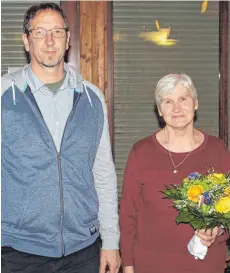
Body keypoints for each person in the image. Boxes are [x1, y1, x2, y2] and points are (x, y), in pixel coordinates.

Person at [1, 3, 120, 273]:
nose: (50, 40)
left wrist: (111, 241)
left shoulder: (92, 98)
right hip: (18, 252)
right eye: (40, 32)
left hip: (83, 251)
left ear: (68, 39)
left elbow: (102, 174)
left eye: (57, 31)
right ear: (26, 40)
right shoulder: (5, 95)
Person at [119, 73, 230, 273]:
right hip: (151, 265)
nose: (177, 108)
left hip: (205, 266)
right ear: (160, 110)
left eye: (183, 99)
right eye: (168, 101)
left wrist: (219, 230)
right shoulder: (141, 152)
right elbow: (128, 215)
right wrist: (128, 265)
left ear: (195, 103)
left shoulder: (218, 150)